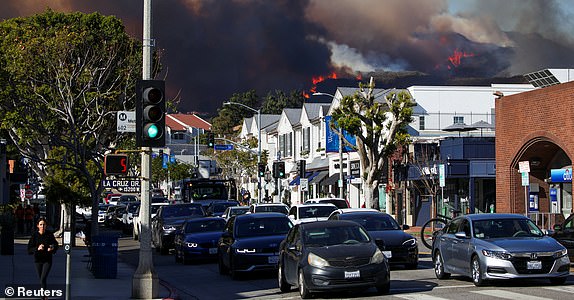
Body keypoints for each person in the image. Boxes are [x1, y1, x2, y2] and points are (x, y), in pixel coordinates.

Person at [27, 217, 59, 293]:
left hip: (47, 260)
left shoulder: (49, 234)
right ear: (37, 225)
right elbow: (29, 249)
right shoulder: (35, 235)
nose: (42, 226)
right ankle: (44, 294)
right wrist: (37, 248)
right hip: (38, 260)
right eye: (41, 225)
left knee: (43, 278)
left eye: (44, 225)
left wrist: (52, 248)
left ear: (46, 225)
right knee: (41, 279)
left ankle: (43, 296)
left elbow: (55, 244)